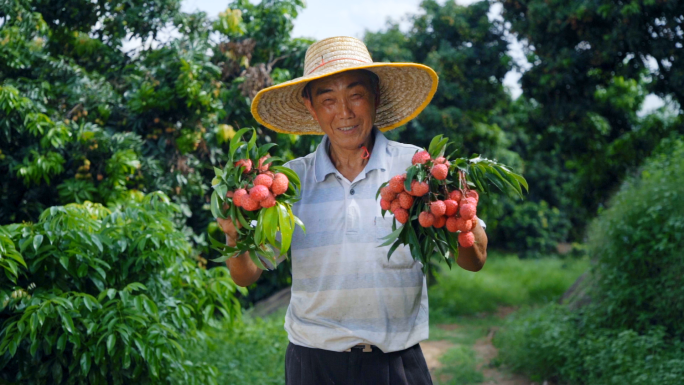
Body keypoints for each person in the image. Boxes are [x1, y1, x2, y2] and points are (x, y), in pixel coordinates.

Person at [217, 36, 488, 385]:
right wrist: (232, 233)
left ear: (375, 96)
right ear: (311, 109)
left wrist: (458, 210)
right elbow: (246, 274)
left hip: (397, 365)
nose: (344, 112)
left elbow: (475, 260)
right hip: (312, 366)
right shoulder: (288, 183)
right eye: (328, 100)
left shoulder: (417, 169)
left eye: (355, 96)